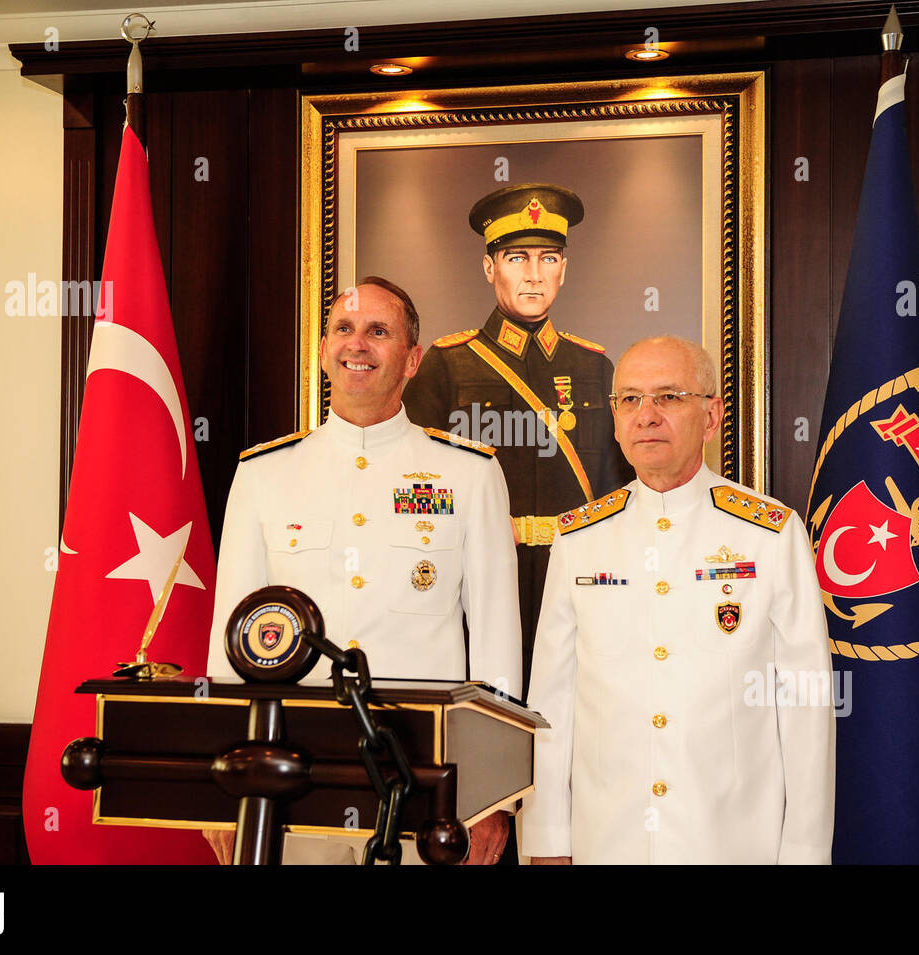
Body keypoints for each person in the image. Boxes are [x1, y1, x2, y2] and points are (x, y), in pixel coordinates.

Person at [204, 277, 522, 865]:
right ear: (324, 351)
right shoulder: (263, 474)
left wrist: (491, 794)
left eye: (380, 331)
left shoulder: (469, 475)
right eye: (343, 329)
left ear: (412, 358)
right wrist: (227, 788)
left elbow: (497, 644)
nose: (359, 344)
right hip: (293, 776)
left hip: (427, 778)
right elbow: (232, 643)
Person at [521, 336, 835, 864]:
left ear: (711, 416)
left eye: (668, 397)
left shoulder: (770, 534)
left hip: (732, 843)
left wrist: (804, 852)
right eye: (629, 400)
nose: (646, 416)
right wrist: (548, 839)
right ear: (616, 421)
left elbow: (806, 706)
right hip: (607, 843)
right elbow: (552, 703)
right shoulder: (578, 539)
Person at [403, 183, 634, 700]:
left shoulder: (594, 366)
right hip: (478, 580)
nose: (533, 274)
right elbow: (415, 482)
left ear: (563, 270)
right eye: (516, 258)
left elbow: (622, 489)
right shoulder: (448, 363)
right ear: (490, 268)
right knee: (486, 717)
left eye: (548, 258)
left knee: (575, 718)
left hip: (575, 582)